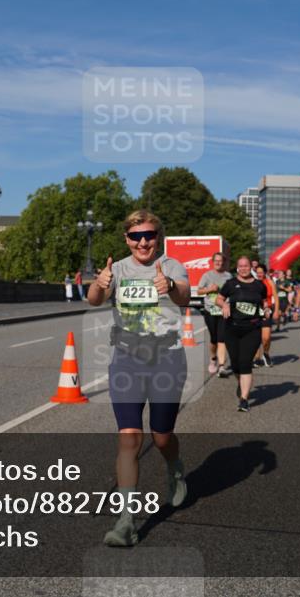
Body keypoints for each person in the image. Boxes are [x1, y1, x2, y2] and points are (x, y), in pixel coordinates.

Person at [87, 210, 191, 547]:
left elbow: (185, 297)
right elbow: (94, 300)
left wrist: (170, 286)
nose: (142, 242)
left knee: (161, 437)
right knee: (129, 437)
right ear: (126, 239)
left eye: (149, 235)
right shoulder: (116, 269)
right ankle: (126, 521)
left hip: (166, 359)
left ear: (158, 236)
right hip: (127, 360)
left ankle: (174, 466)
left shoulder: (171, 265)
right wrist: (99, 284)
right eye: (135, 236)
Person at [218, 256, 268, 412]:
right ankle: (241, 382)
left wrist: (266, 310)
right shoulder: (230, 284)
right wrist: (224, 304)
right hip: (232, 328)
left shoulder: (259, 285)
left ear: (250, 267)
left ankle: (244, 399)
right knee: (235, 364)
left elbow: (264, 302)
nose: (243, 268)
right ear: (237, 268)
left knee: (245, 362)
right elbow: (219, 299)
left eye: (246, 266)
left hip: (252, 328)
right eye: (240, 266)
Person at [197, 252, 232, 377]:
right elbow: (199, 291)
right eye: (216, 260)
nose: (218, 263)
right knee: (214, 338)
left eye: (221, 261)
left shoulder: (229, 276)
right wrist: (209, 289)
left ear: (224, 262)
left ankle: (222, 366)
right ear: (213, 262)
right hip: (210, 310)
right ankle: (213, 359)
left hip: (224, 310)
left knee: (222, 338)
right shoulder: (207, 275)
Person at [253, 263, 276, 367]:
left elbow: (276, 297)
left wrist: (276, 311)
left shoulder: (270, 282)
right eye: (257, 273)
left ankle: (266, 354)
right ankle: (257, 358)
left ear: (265, 273)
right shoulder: (253, 283)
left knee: (266, 337)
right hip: (256, 311)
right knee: (256, 337)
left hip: (267, 310)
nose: (259, 274)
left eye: (261, 272)